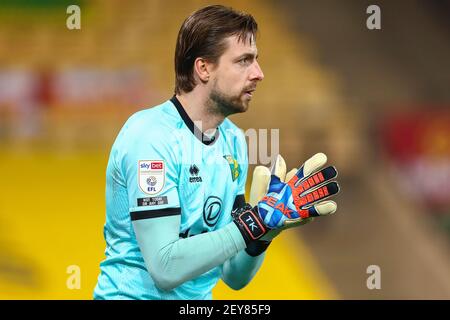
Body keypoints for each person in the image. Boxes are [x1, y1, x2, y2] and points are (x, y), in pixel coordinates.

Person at [94, 4, 339, 300]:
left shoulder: (233, 142)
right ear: (204, 68)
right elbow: (165, 267)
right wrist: (254, 222)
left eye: (256, 61)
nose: (259, 74)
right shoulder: (151, 138)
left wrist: (264, 234)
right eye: (243, 61)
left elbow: (234, 275)